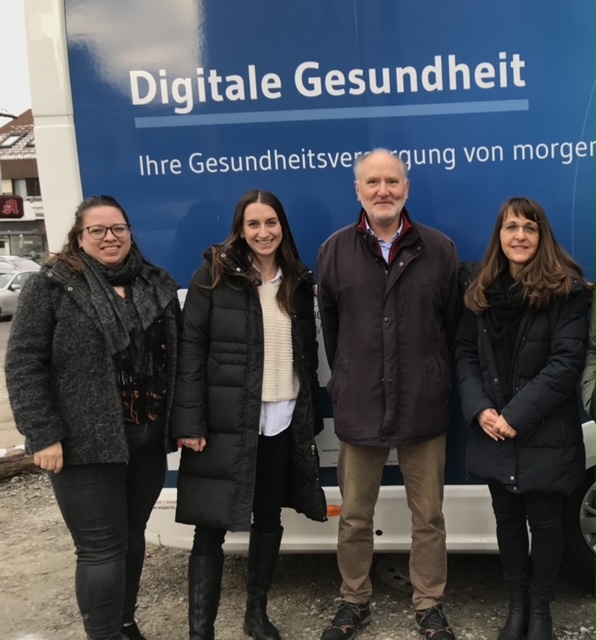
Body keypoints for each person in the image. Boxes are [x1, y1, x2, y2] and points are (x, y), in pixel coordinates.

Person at [5, 195, 180, 640]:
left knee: (132, 535)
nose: (109, 237)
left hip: (146, 435)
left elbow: (174, 356)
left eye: (117, 228)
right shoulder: (53, 285)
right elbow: (24, 361)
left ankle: (124, 623)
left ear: (129, 231)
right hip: (85, 441)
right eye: (97, 230)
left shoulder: (155, 283)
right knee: (101, 549)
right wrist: (42, 434)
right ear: (79, 237)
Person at [317, 148, 460, 640]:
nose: (383, 191)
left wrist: (433, 374)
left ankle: (430, 604)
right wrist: (350, 375)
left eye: (392, 182)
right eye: (373, 182)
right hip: (360, 405)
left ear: (407, 189)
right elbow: (333, 333)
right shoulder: (333, 251)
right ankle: (353, 599)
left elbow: (450, 327)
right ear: (358, 190)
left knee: (430, 516)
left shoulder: (440, 249)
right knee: (355, 515)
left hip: (424, 402)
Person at [172, 189, 327, 640]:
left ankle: (255, 615)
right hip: (224, 420)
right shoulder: (213, 277)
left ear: (283, 227)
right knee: (210, 527)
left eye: (271, 223)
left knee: (268, 518)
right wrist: (189, 422)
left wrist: (308, 413)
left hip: (282, 417)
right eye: (254, 224)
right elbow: (191, 351)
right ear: (241, 229)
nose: (264, 232)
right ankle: (201, 630)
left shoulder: (298, 278)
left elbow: (307, 351)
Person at [455, 197, 590, 640]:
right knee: (508, 524)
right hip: (492, 429)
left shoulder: (567, 291)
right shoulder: (479, 291)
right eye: (511, 227)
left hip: (544, 431)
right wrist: (481, 410)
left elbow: (566, 363)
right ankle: (516, 607)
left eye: (529, 228)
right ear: (499, 235)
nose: (519, 236)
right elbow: (465, 354)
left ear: (542, 235)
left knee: (548, 526)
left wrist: (514, 416)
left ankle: (541, 612)